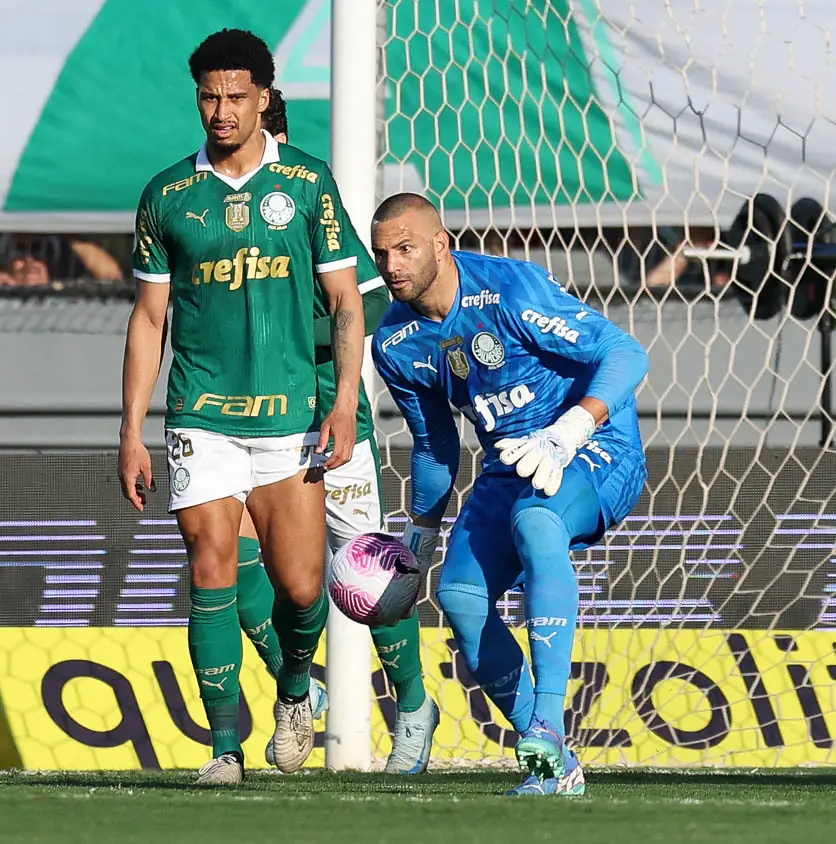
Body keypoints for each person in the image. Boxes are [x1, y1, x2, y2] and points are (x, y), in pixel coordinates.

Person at [118, 29, 367, 785]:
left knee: (298, 588)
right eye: (208, 96)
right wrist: (130, 430)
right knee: (211, 566)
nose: (220, 111)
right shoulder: (168, 196)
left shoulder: (309, 184)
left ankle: (297, 688)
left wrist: (345, 403)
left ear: (264, 97)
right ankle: (224, 748)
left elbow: (346, 302)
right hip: (201, 413)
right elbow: (150, 319)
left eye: (235, 96)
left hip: (290, 416)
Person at [369, 193, 649, 796]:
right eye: (382, 252)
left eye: (405, 248)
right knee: (460, 595)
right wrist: (416, 543)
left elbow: (626, 352)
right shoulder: (394, 342)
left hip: (595, 447)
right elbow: (435, 448)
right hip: (509, 464)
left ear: (442, 244)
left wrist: (571, 429)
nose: (392, 264)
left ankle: (547, 719)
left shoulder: (510, 288)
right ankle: (553, 767)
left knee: (536, 522)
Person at [229, 88, 439, 774]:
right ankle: (302, 689)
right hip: (240, 419)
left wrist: (313, 352)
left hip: (324, 419)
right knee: (233, 561)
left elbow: (368, 298)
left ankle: (412, 705)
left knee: (369, 579)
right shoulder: (212, 203)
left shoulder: (308, 198)